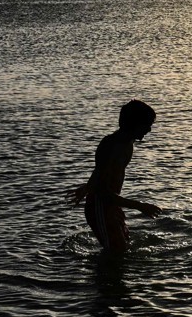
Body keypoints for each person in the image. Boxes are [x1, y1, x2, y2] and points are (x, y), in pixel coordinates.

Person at [69, 100, 162, 253]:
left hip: (112, 203)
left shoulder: (127, 143)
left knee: (123, 249)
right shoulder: (111, 146)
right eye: (147, 125)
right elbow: (103, 191)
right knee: (115, 253)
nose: (149, 130)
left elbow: (99, 172)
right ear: (135, 124)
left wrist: (86, 187)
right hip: (100, 205)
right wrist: (140, 206)